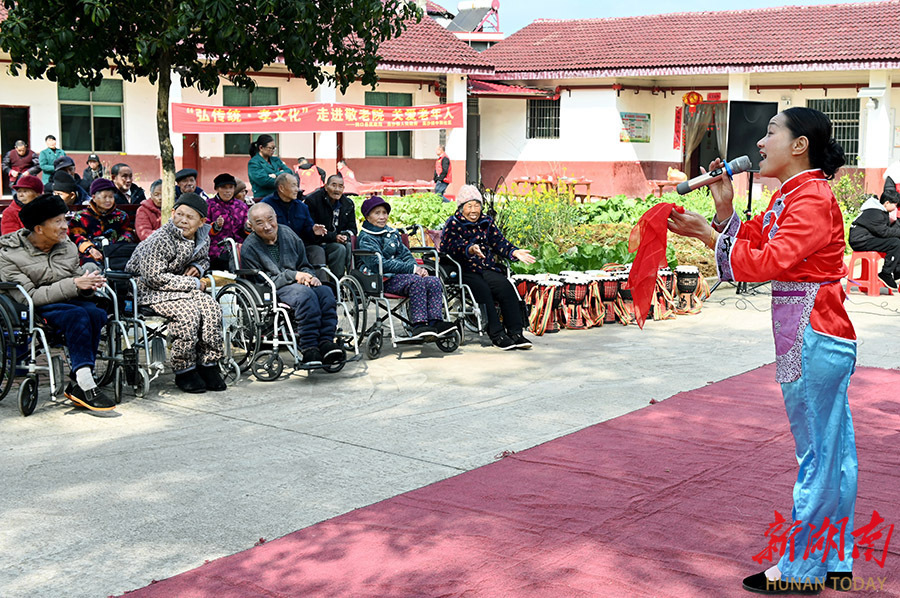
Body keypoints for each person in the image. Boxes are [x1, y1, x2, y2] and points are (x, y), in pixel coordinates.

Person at [667, 107, 856, 594]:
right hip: (812, 331)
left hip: (814, 332)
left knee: (817, 453)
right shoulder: (792, 195)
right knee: (833, 453)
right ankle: (833, 560)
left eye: (771, 131)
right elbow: (754, 241)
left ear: (799, 145)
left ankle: (800, 572)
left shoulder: (810, 198)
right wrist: (725, 212)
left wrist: (709, 236)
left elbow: (766, 262)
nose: (760, 141)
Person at [0, 194, 115, 412]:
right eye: (58, 221)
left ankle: (79, 378)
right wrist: (74, 283)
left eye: (65, 219)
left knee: (98, 312)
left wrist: (89, 282)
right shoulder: (9, 255)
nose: (65, 226)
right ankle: (85, 383)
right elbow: (30, 296)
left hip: (68, 300)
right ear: (39, 229)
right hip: (34, 307)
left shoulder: (67, 247)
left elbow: (75, 279)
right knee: (78, 316)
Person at [125, 193, 227, 394]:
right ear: (172, 213)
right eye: (179, 214)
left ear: (201, 222)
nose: (183, 220)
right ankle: (184, 369)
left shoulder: (202, 237)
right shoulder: (160, 239)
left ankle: (208, 364)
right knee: (188, 312)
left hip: (180, 287)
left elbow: (205, 259)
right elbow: (153, 277)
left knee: (211, 307)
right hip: (148, 290)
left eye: (190, 217)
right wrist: (193, 282)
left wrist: (198, 266)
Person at [241, 203, 346, 366]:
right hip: (273, 289)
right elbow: (263, 281)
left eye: (270, 219)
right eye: (259, 223)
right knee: (306, 295)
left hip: (298, 282)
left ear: (276, 218)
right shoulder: (250, 247)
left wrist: (310, 276)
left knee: (325, 292)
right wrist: (294, 275)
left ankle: (326, 342)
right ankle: (310, 347)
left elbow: (304, 263)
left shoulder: (287, 233)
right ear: (251, 226)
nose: (267, 226)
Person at [441, 185, 535, 350]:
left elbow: (499, 242)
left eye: (477, 205)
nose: (473, 210)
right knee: (483, 290)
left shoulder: (486, 222)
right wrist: (469, 249)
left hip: (486, 267)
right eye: (469, 206)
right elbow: (448, 247)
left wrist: (514, 251)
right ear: (461, 208)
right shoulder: (453, 223)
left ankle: (516, 333)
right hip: (464, 269)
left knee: (505, 286)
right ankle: (497, 335)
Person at [357, 196, 456, 340]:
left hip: (401, 276)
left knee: (433, 281)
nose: (382, 217)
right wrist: (411, 270)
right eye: (377, 213)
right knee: (416, 282)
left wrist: (417, 268)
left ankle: (436, 322)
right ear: (367, 217)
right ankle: (419, 324)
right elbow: (379, 264)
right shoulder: (366, 238)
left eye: (384, 213)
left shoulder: (392, 234)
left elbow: (405, 255)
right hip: (380, 278)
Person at [260, 173, 327, 265]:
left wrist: (313, 231)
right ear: (281, 188)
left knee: (317, 251)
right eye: (293, 186)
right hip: (276, 248)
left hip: (300, 247)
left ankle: (320, 279)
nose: (297, 189)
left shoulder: (302, 206)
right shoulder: (266, 205)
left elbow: (308, 231)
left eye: (297, 186)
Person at [69, 178, 137, 268]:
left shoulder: (121, 216)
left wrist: (117, 247)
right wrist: (89, 248)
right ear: (94, 197)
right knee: (90, 267)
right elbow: (75, 235)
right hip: (90, 254)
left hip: (115, 253)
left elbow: (127, 232)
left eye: (111, 197)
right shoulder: (81, 217)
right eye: (104, 197)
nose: (108, 200)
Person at [304, 174, 357, 276]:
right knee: (339, 249)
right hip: (318, 242)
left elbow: (353, 228)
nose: (337, 189)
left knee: (351, 246)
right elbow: (311, 229)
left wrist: (345, 236)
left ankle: (352, 281)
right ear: (325, 186)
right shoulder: (313, 201)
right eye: (333, 185)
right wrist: (334, 237)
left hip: (337, 239)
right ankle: (337, 283)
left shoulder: (348, 203)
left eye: (340, 186)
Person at [848, 189, 900, 289]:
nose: (895, 208)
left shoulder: (877, 210)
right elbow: (883, 232)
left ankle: (897, 271)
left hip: (867, 238)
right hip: (860, 241)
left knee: (895, 241)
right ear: (887, 203)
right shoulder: (875, 212)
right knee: (895, 243)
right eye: (895, 205)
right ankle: (886, 273)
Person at [207, 172, 250, 270]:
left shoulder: (241, 206)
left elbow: (246, 229)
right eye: (224, 187)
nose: (227, 191)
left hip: (240, 247)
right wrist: (216, 226)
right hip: (217, 249)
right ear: (217, 189)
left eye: (230, 187)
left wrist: (248, 227)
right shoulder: (209, 205)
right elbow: (203, 229)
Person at [248, 134, 291, 199]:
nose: (273, 150)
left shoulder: (276, 160)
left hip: (280, 196)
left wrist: (275, 175)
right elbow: (264, 181)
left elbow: (289, 172)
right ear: (261, 148)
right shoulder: (254, 163)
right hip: (263, 198)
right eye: (271, 148)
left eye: (274, 148)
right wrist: (283, 177)